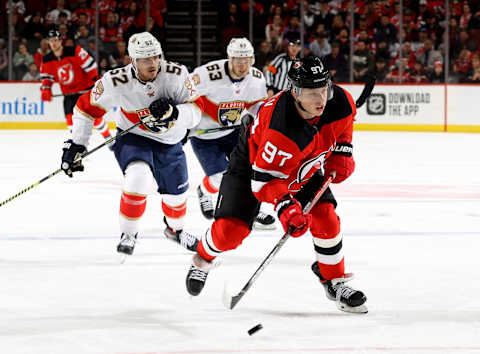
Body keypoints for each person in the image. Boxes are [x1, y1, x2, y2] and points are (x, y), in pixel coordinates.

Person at [184, 56, 368, 314]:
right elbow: (264, 183)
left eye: (323, 89)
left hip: (304, 165)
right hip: (253, 167)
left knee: (325, 217)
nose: (321, 99)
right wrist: (287, 209)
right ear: (294, 91)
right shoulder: (281, 125)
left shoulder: (340, 101)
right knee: (229, 233)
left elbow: (345, 126)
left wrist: (343, 153)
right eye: (311, 92)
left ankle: (334, 280)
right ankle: (202, 259)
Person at [61, 32, 201, 256]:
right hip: (134, 138)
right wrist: (77, 144)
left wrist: (176, 113)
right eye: (146, 59)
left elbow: (197, 110)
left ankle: (175, 230)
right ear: (133, 61)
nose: (153, 63)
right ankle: (129, 232)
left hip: (170, 142)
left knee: (177, 201)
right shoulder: (115, 81)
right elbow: (86, 108)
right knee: (138, 177)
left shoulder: (177, 74)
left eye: (155, 56)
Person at [187, 37, 275, 230]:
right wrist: (184, 122)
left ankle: (251, 208)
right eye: (238, 60)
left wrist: (261, 121)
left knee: (251, 170)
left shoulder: (256, 77)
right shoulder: (207, 74)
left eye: (246, 60)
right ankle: (204, 190)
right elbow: (186, 94)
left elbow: (255, 106)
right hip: (205, 137)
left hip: (233, 132)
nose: (243, 65)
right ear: (229, 58)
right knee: (220, 179)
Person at [40, 30, 112, 142]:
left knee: (95, 118)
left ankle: (108, 137)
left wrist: (95, 79)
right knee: (70, 121)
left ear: (60, 41)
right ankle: (79, 144)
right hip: (69, 94)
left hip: (85, 92)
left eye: (55, 40)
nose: (53, 43)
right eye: (50, 41)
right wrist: (46, 89)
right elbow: (46, 78)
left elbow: (91, 66)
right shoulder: (47, 60)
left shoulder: (75, 51)